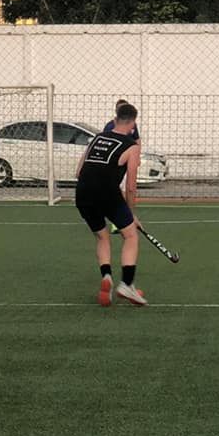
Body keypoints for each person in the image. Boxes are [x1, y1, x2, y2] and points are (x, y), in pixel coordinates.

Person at [75, 102, 147, 306]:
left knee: (102, 236)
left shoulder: (97, 138)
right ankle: (127, 284)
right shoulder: (132, 147)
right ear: (133, 124)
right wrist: (131, 214)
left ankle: (106, 276)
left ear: (115, 120)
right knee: (130, 235)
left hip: (82, 194)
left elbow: (79, 171)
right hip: (107, 194)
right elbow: (131, 186)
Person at [103, 98, 141, 234]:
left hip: (127, 162)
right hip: (115, 166)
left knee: (124, 190)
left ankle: (120, 219)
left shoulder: (133, 126)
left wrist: (137, 157)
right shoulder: (109, 127)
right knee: (118, 191)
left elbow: (137, 140)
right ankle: (119, 220)